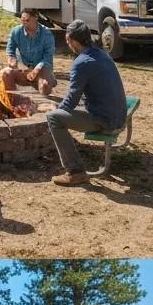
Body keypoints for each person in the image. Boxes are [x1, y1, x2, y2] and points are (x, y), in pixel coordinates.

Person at [46, 19, 128, 187]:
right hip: (118, 114)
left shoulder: (81, 63)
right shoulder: (101, 53)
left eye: (67, 40)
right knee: (61, 110)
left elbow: (71, 101)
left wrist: (55, 107)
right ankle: (75, 170)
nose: (67, 43)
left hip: (106, 120)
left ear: (73, 40)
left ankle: (75, 172)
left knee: (54, 117)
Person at [2, 8, 57, 96]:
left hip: (41, 69)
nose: (24, 23)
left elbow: (47, 57)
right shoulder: (16, 31)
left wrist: (36, 70)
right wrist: (11, 60)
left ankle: (49, 81)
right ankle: (14, 99)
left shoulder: (47, 34)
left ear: (36, 18)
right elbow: (10, 50)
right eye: (22, 20)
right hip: (23, 69)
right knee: (6, 74)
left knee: (45, 86)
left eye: (27, 20)